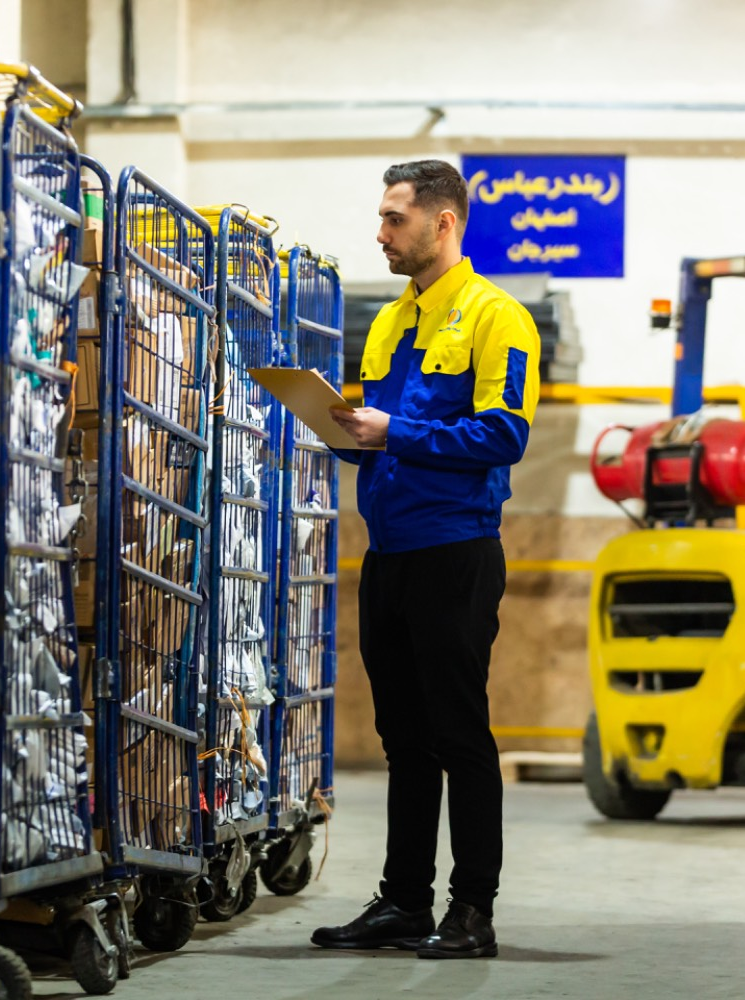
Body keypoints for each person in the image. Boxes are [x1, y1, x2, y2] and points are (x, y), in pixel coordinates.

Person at [310, 159, 540, 960]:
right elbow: (381, 441)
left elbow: (503, 436)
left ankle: (471, 907)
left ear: (442, 222)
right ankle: (404, 900)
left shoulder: (495, 318)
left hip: (455, 554)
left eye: (393, 218)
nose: (381, 233)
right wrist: (340, 431)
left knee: (458, 734)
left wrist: (394, 432)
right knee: (402, 739)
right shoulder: (388, 322)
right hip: (391, 556)